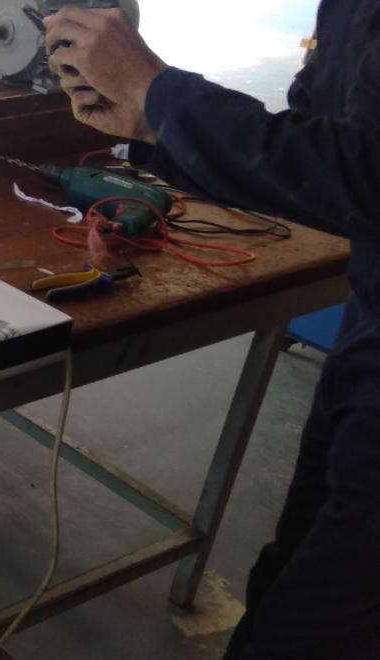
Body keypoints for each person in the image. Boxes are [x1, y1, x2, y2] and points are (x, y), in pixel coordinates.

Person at [42, 2, 380, 658]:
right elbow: (315, 152)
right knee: (289, 566)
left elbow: (366, 178)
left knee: (318, 626)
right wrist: (150, 127)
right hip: (366, 332)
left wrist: (157, 90)